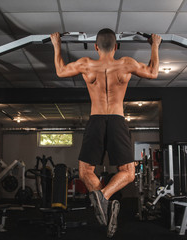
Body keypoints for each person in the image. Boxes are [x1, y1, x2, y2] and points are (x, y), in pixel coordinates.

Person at [50, 28, 161, 237]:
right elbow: (153, 72)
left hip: (96, 119)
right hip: (118, 120)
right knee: (128, 172)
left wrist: (56, 44)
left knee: (85, 172)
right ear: (116, 46)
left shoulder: (86, 64)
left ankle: (103, 199)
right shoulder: (126, 63)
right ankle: (106, 200)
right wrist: (154, 45)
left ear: (96, 46)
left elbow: (60, 71)